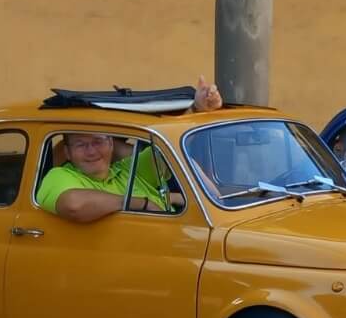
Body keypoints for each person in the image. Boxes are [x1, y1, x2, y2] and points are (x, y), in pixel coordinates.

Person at [37, 76, 221, 222]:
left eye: (98, 141)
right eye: (80, 144)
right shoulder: (60, 176)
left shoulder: (129, 170)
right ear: (67, 152)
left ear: (111, 144)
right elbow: (73, 206)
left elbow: (169, 143)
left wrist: (197, 109)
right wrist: (142, 204)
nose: (91, 151)